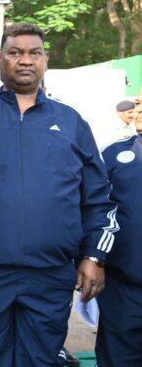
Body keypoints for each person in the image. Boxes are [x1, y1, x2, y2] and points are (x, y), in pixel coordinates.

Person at [0, 23, 117, 367]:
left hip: (49, 273)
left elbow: (99, 197)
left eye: (34, 53)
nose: (25, 60)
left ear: (45, 59)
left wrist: (95, 257)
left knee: (41, 358)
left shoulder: (70, 121)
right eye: (15, 52)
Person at [94, 110, 142, 367]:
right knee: (119, 358)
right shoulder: (112, 153)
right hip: (123, 287)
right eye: (138, 102)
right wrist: (94, 258)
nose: (139, 109)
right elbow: (94, 207)